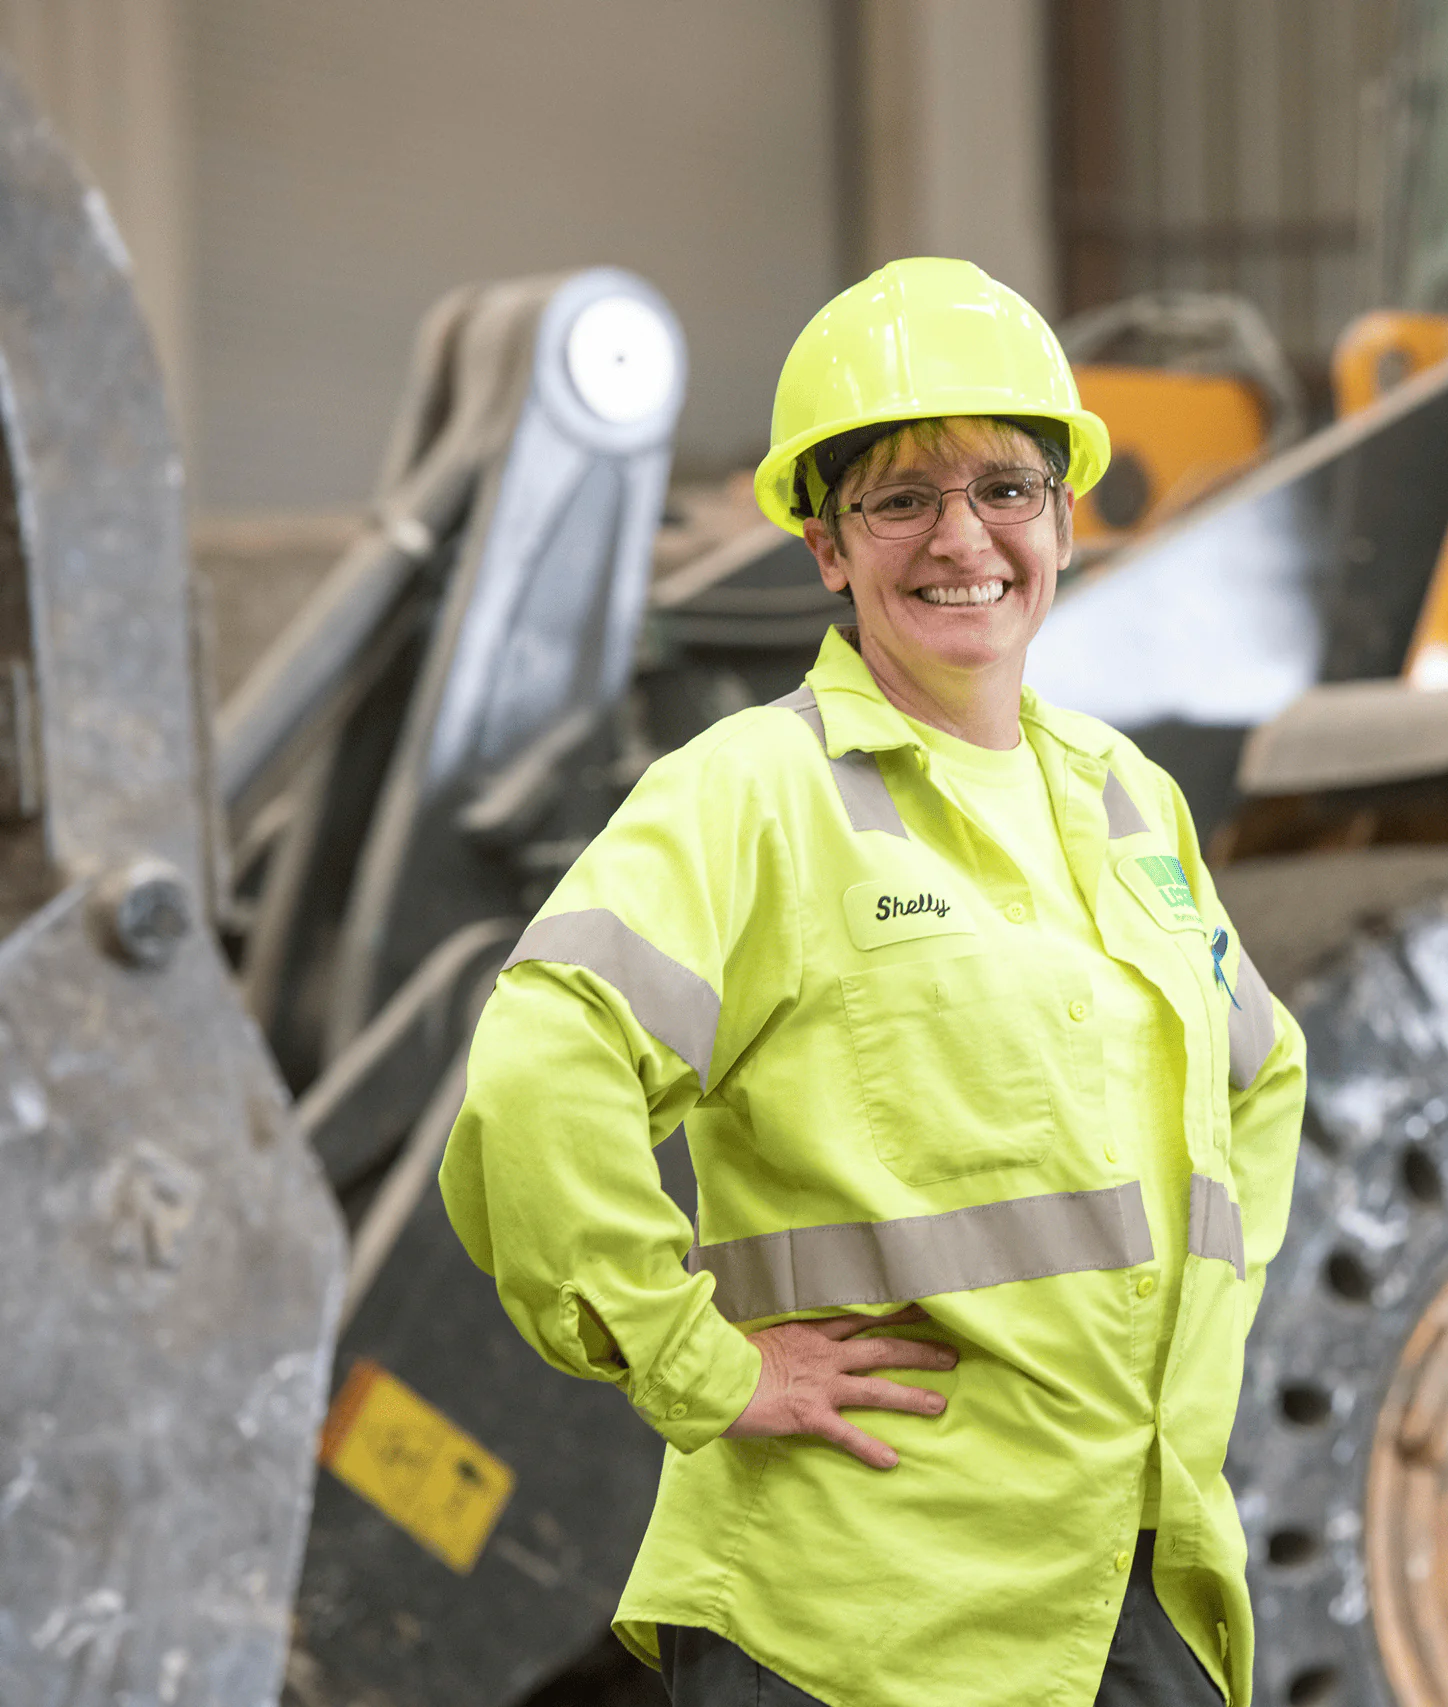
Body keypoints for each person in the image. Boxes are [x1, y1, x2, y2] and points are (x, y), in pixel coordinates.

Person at [440, 256, 1306, 1707]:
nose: (963, 535)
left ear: (1065, 519)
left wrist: (1181, 1367)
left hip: (1128, 1598)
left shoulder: (1125, 798)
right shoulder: (753, 797)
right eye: (901, 499)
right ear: (828, 547)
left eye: (1005, 488)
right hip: (861, 1625)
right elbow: (539, 1075)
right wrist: (705, 1364)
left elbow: (1259, 1071)